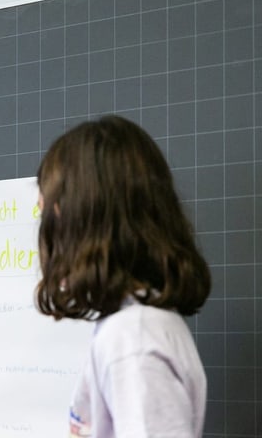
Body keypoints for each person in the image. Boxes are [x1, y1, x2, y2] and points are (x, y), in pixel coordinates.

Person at [35, 115, 211, 437]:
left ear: (86, 220)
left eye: (51, 209)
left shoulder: (133, 340)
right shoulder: (134, 326)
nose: (45, 220)